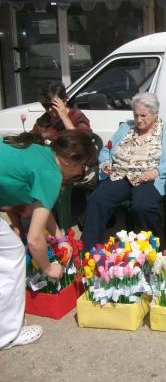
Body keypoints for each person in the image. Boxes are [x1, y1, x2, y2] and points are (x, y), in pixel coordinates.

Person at [0, 130, 96, 350]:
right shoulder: (51, 173)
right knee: (13, 252)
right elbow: (34, 239)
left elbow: (39, 207)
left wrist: (60, 238)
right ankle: (8, 334)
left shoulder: (42, 152)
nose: (81, 173)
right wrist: (48, 268)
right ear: (71, 161)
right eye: (83, 167)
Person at [81, 92, 166, 250]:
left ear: (155, 113)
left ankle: (152, 250)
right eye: (136, 115)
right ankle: (88, 251)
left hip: (150, 178)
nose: (138, 120)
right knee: (97, 199)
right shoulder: (126, 128)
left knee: (142, 207)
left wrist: (157, 171)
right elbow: (107, 150)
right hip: (121, 174)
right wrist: (106, 163)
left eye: (143, 115)